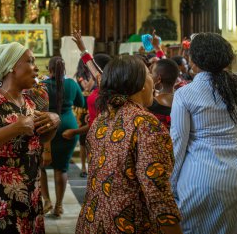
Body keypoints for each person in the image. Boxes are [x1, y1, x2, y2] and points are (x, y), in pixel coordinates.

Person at [170, 33, 237, 234]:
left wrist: (171, 186)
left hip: (197, 179)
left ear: (194, 61)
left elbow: (178, 143)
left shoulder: (185, 94)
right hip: (235, 179)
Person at [76, 54, 182, 234]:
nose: (153, 82)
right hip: (129, 223)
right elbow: (158, 193)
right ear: (140, 84)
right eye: (149, 75)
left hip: (93, 221)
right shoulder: (145, 124)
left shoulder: (102, 120)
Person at [0, 42, 59, 234]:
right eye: (30, 61)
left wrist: (54, 121)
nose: (37, 67)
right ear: (11, 67)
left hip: (29, 190)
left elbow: (41, 138)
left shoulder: (30, 102)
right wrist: (14, 128)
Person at [41, 56, 85, 217]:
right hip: (68, 127)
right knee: (62, 167)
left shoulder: (42, 86)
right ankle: (59, 206)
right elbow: (81, 103)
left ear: (49, 69)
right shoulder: (72, 84)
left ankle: (46, 200)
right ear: (64, 69)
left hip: (46, 128)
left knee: (41, 166)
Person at [148, 58, 179, 128]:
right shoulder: (182, 99)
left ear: (159, 79)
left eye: (151, 73)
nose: (150, 76)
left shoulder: (151, 104)